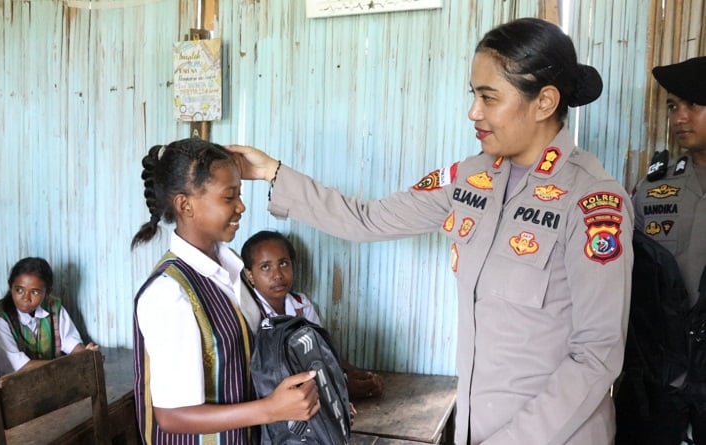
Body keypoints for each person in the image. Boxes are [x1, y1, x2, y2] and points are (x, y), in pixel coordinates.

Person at [228, 17, 633, 445]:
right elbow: (368, 218)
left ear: (544, 102)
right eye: (473, 94)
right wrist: (271, 171)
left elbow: (596, 355)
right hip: (475, 428)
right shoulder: (471, 179)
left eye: (488, 97)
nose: (473, 111)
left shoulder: (591, 200)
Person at [130, 138, 320, 444]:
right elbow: (171, 417)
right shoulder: (169, 294)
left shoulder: (231, 269)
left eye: (239, 195)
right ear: (185, 205)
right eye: (229, 197)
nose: (241, 206)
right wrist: (271, 409)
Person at [618, 55, 706, 445]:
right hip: (662, 380)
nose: (679, 117)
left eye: (694, 105)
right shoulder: (653, 190)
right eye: (673, 106)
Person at [241, 229, 385, 400]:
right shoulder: (249, 313)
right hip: (271, 396)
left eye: (284, 263)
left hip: (310, 384)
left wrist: (354, 373)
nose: (278, 275)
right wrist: (343, 384)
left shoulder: (301, 305)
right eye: (266, 267)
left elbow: (322, 351)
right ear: (250, 275)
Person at [0, 257, 99, 375]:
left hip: (51, 377)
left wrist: (86, 355)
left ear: (47, 292)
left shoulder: (53, 306)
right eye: (19, 290)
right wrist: (68, 365)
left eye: (35, 292)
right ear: (10, 286)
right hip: (13, 383)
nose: (26, 298)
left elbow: (70, 341)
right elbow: (18, 366)